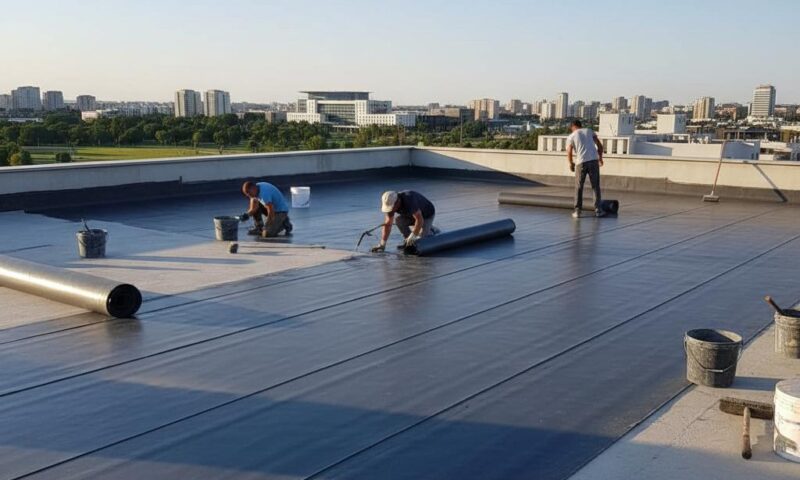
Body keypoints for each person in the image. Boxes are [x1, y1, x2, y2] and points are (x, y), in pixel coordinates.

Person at [371, 190, 437, 252]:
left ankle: (432, 230)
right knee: (399, 221)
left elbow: (419, 219)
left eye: (392, 207)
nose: (391, 210)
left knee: (421, 239)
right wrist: (382, 244)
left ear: (397, 202)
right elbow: (388, 224)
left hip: (427, 215)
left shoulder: (409, 199)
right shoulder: (391, 204)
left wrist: (413, 235)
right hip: (410, 215)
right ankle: (408, 242)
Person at [566, 119, 605, 218]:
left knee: (579, 186)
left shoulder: (571, 136)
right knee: (595, 186)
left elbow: (569, 151)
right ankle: (598, 210)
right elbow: (600, 146)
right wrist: (600, 159)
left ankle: (578, 211)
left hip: (581, 162)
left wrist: (571, 163)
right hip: (593, 161)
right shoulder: (590, 131)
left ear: (573, 126)